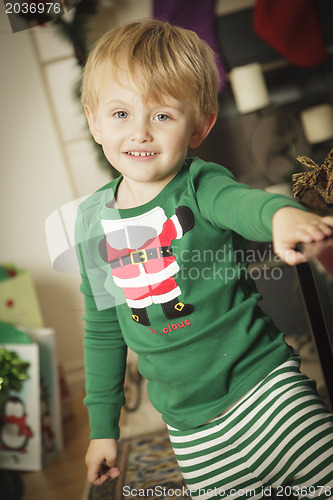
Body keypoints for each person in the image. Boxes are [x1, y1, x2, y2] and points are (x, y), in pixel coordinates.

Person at [75, 18, 333, 499]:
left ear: (200, 126)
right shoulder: (91, 221)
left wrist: (281, 216)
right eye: (120, 114)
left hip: (266, 391)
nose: (141, 132)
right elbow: (103, 328)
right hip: (191, 431)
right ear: (93, 120)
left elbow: (244, 203)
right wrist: (102, 429)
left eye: (163, 116)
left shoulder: (199, 185)